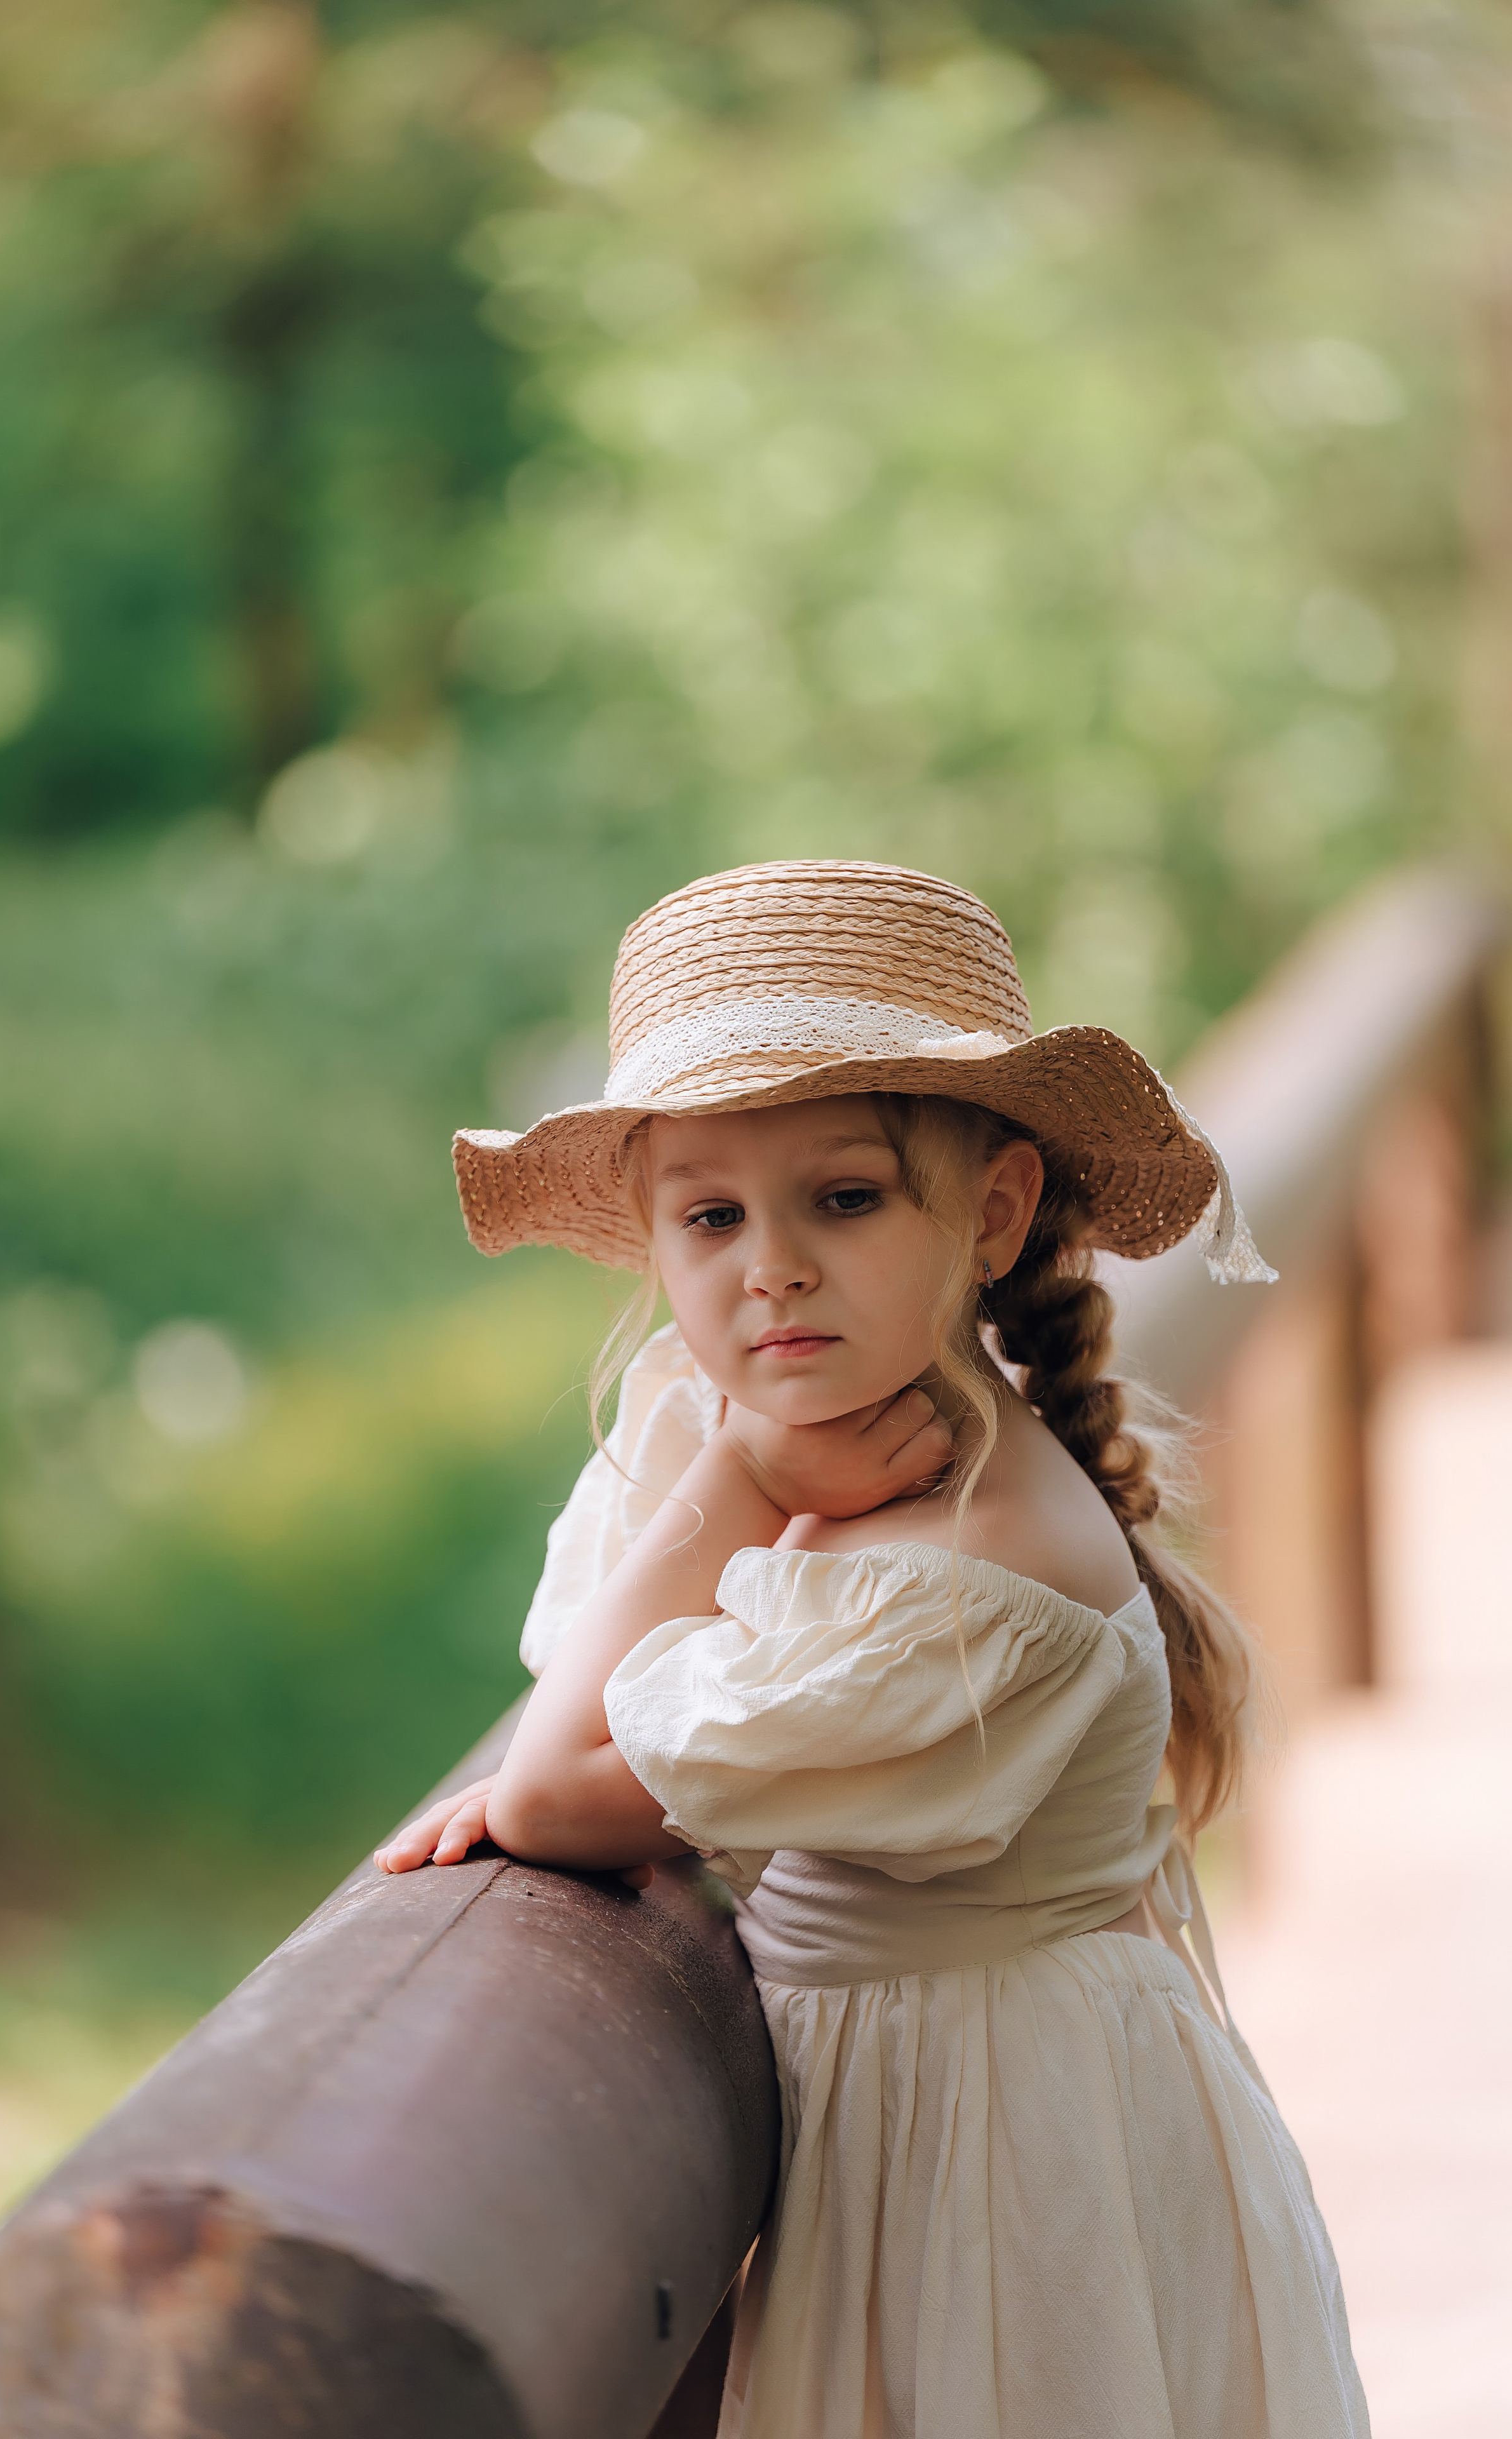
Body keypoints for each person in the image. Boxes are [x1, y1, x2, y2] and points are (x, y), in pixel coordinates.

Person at [377, 859, 1368, 2438]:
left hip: (1005, 2174)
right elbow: (582, 1664)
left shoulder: (973, 1571)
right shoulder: (772, 1429)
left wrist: (736, 1487)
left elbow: (558, 1784)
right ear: (652, 1240)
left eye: (842, 1199)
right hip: (915, 2120)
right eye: (711, 1216)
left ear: (993, 1213)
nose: (768, 1266)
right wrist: (730, 1473)